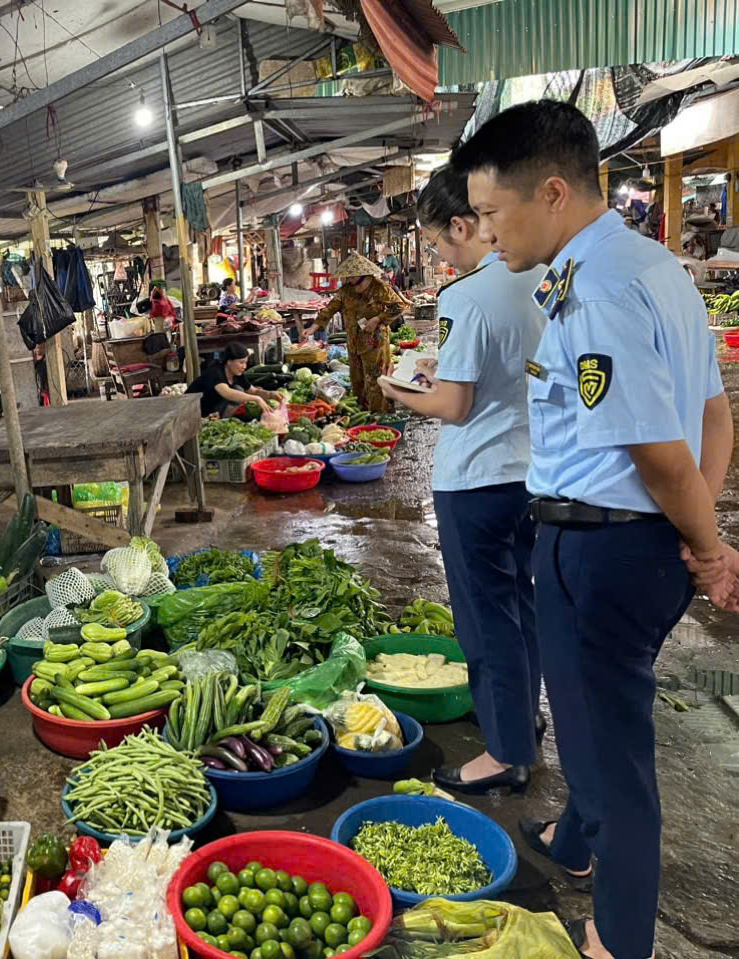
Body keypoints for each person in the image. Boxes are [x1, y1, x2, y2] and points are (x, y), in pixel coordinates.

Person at [455, 99, 738, 959]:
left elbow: (660, 454)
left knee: (609, 754)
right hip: (633, 543)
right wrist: (691, 533)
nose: (487, 234)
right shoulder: (652, 266)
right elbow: (714, 413)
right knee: (591, 716)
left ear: (551, 192)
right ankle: (571, 841)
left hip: (599, 549)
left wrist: (708, 547)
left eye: (493, 214)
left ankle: (619, 934)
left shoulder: (599, 292)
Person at [379, 166, 547, 796]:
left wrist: (399, 391)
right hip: (535, 472)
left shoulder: (466, 296)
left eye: (436, 243)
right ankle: (522, 720)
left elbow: (453, 405)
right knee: (522, 604)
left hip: (476, 477)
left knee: (484, 618)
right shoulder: (538, 276)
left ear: (460, 225)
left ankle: (504, 753)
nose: (438, 257)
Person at [312, 252, 405, 413]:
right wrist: (313, 327)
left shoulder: (380, 288)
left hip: (375, 341)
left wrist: (378, 319)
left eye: (352, 277)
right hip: (353, 341)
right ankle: (363, 412)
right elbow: (330, 308)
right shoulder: (346, 291)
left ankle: (380, 413)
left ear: (362, 275)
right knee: (357, 379)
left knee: (376, 378)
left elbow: (399, 306)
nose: (349, 280)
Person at [186, 341, 281, 419]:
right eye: (241, 363)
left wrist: (270, 394)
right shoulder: (215, 372)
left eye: (246, 363)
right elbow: (227, 392)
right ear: (229, 361)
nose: (244, 366)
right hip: (191, 411)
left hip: (211, 410)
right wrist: (256, 399)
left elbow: (253, 391)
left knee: (239, 389)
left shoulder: (237, 374)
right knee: (237, 390)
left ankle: (221, 418)